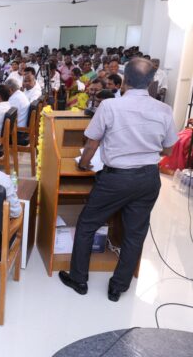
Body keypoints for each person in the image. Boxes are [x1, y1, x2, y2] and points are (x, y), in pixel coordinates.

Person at [59, 58, 178, 302]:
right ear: (151, 82)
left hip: (116, 178)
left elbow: (92, 143)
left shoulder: (110, 107)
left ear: (125, 81)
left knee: (87, 224)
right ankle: (118, 287)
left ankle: (79, 279)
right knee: (135, 233)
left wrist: (83, 164)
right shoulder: (164, 110)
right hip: (148, 178)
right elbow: (168, 150)